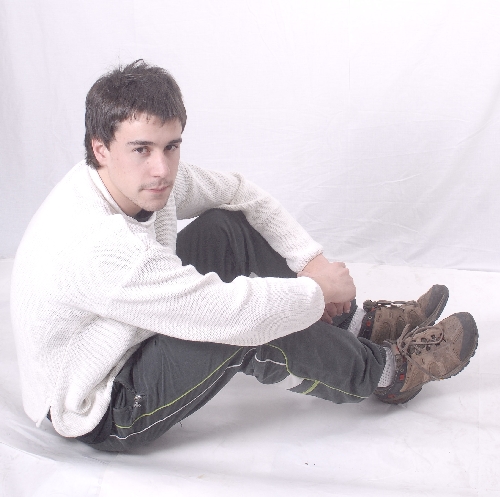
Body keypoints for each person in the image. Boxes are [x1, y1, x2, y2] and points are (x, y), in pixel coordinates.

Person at [10, 60, 479, 452]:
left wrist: (310, 262)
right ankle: (389, 373)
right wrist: (315, 292)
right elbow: (231, 313)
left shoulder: (135, 180)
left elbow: (239, 191)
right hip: (101, 401)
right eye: (142, 149)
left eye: (171, 146)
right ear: (101, 149)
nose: (162, 169)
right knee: (247, 325)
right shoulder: (99, 246)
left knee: (226, 227)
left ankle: (359, 325)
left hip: (124, 329)